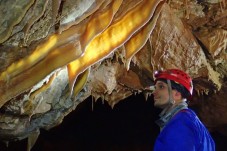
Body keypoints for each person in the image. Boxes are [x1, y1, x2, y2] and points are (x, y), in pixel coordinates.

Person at [146, 69, 215, 151]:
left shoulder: (181, 122)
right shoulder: (191, 120)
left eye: (161, 87)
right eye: (155, 88)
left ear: (177, 94)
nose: (154, 92)